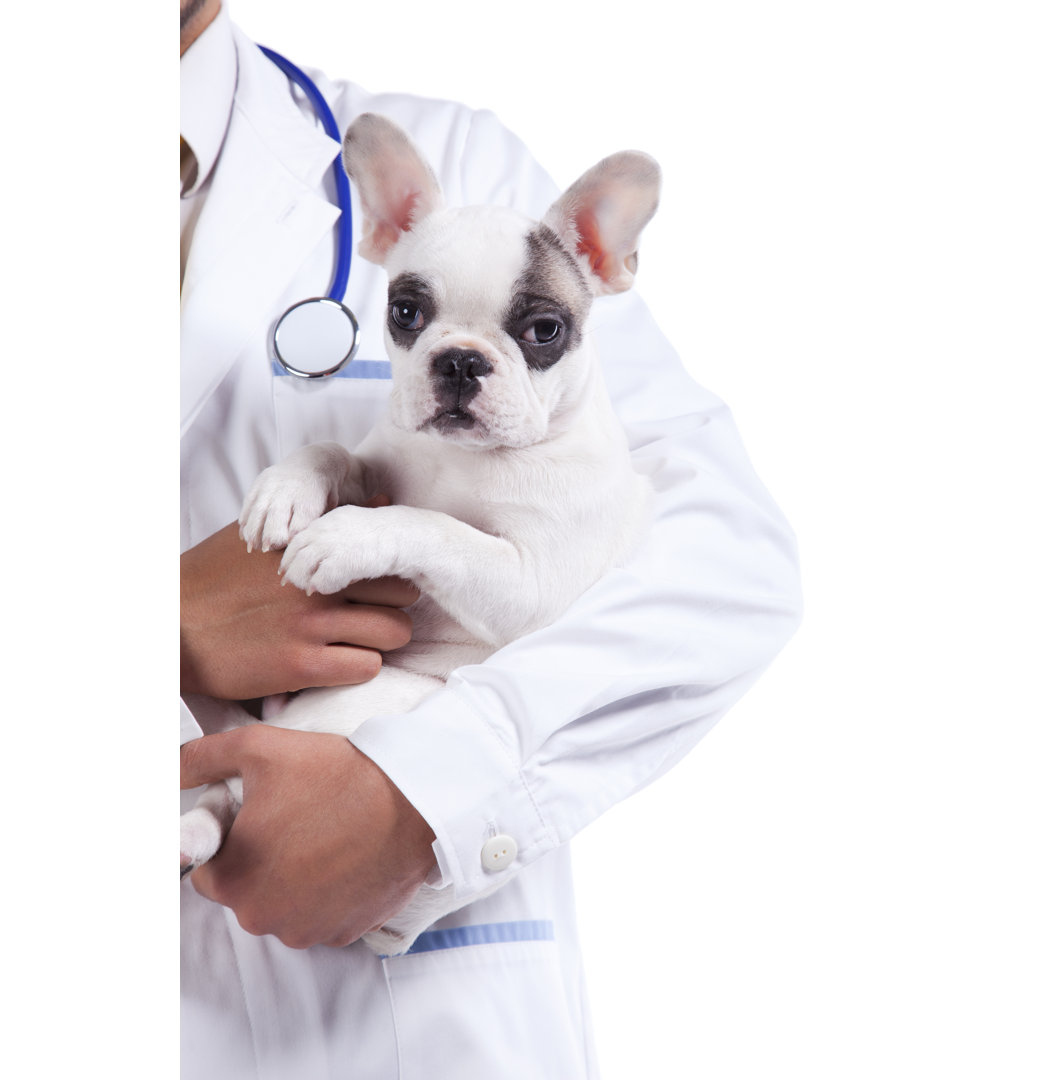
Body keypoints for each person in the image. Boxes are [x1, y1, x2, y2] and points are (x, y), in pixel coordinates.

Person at [179, 0, 802, 1075]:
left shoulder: (462, 171)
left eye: (534, 330)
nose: (465, 360)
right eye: (415, 317)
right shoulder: (426, 210)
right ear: (389, 245)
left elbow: (729, 560)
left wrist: (425, 796)